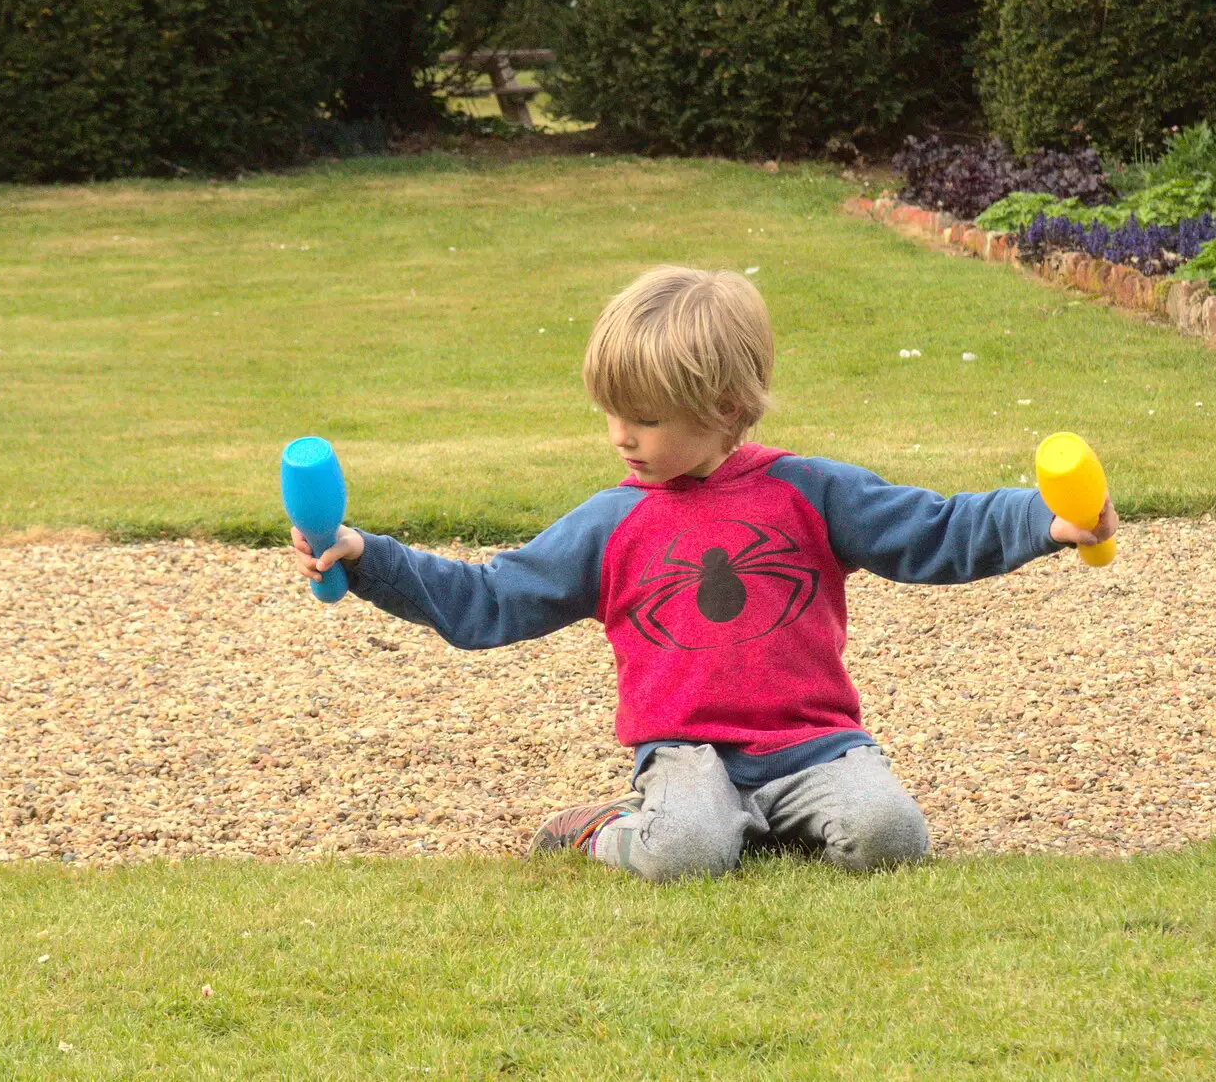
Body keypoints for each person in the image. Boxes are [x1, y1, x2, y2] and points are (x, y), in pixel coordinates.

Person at [291, 266, 1117, 882]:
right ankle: (607, 825)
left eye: (644, 419)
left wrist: (1043, 522)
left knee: (892, 837)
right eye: (610, 413)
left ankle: (758, 823)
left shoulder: (810, 490)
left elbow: (931, 527)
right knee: (685, 854)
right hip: (687, 752)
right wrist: (368, 559)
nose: (620, 436)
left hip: (813, 744)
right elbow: (489, 600)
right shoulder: (612, 523)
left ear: (725, 407)